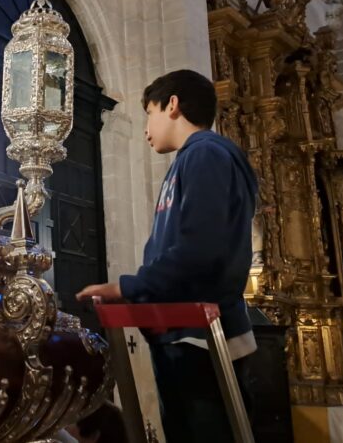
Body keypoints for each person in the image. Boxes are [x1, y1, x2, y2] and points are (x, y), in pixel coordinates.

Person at [76, 69, 258, 443]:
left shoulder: (206, 153)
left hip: (201, 337)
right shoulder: (190, 159)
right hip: (181, 332)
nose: (146, 128)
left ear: (172, 105)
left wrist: (128, 287)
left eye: (149, 113)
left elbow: (199, 249)